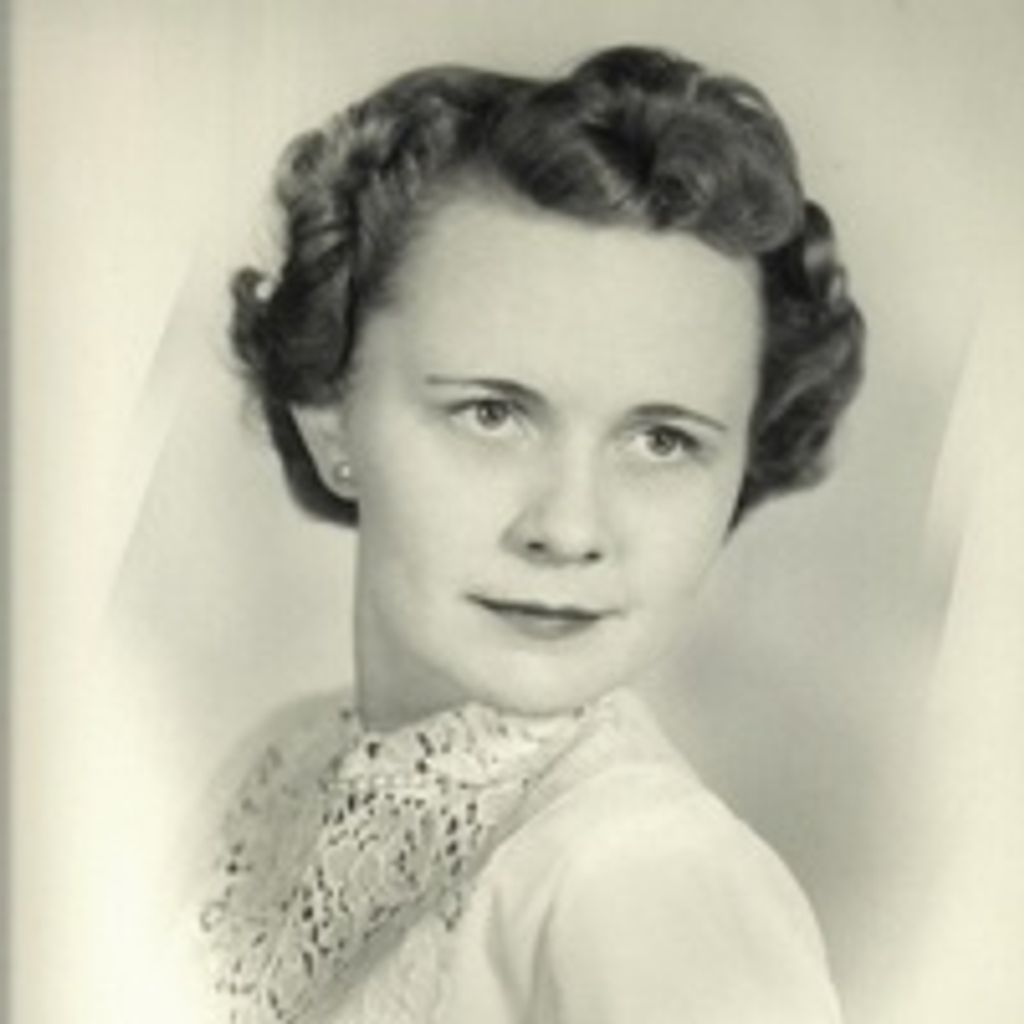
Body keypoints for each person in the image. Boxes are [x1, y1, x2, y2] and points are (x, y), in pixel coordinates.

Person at [194, 44, 864, 1023]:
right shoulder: (272, 772)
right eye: (492, 413)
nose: (569, 528)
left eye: (663, 439)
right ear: (327, 415)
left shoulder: (647, 883)